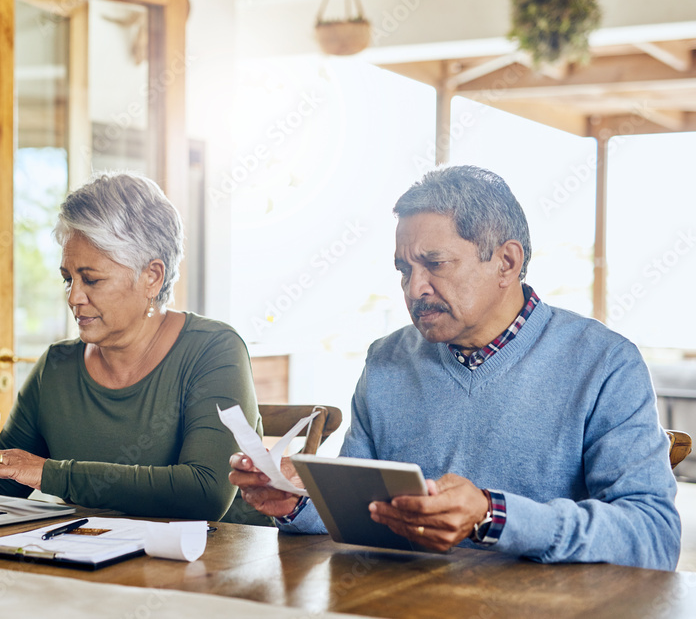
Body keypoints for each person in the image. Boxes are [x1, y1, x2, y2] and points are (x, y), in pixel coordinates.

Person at [230, 165, 681, 570]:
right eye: (404, 270)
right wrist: (295, 500)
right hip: (407, 602)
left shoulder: (605, 362)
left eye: (435, 264)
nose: (414, 288)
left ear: (507, 262)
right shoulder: (386, 359)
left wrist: (492, 515)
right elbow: (365, 513)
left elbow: (654, 535)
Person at [0, 172, 263, 522]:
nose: (73, 297)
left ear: (152, 277)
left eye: (91, 279)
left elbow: (204, 493)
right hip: (96, 563)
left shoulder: (215, 350)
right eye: (68, 278)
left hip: (212, 566)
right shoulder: (56, 367)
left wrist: (51, 473)